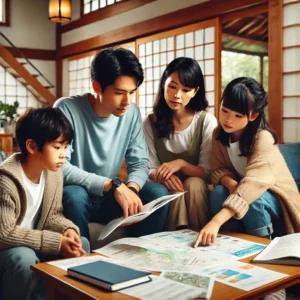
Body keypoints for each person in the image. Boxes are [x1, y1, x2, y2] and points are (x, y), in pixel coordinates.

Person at [54, 47, 169, 241]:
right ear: (97, 86)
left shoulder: (131, 112)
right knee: (75, 195)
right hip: (76, 195)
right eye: (119, 92)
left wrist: (130, 190)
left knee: (158, 192)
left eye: (132, 92)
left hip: (108, 198)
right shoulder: (66, 109)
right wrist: (112, 185)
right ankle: (80, 258)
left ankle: (139, 254)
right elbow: (61, 167)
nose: (127, 101)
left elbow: (140, 163)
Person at [194, 77, 300, 248]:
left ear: (253, 116)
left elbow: (253, 184)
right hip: (242, 192)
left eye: (238, 115)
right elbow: (218, 169)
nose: (228, 120)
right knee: (219, 192)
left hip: (277, 199)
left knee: (253, 200)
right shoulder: (218, 134)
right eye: (225, 110)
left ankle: (260, 246)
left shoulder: (263, 138)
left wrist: (215, 221)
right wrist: (230, 182)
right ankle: (225, 242)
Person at [0, 107, 90, 300]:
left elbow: (53, 215)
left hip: (32, 245)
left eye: (65, 147)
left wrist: (67, 230)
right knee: (23, 257)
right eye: (57, 147)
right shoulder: (6, 180)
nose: (63, 155)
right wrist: (56, 242)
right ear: (32, 146)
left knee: (82, 244)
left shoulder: (53, 173)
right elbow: (4, 233)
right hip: (8, 251)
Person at [143, 57, 218, 231]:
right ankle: (172, 243)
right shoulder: (150, 122)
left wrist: (181, 164)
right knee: (173, 191)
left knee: (194, 183)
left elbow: (208, 173)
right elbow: (149, 167)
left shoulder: (206, 122)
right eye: (172, 86)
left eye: (186, 89)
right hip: (165, 185)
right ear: (163, 84)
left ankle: (199, 236)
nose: (177, 95)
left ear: (195, 91)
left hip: (197, 189)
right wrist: (164, 176)